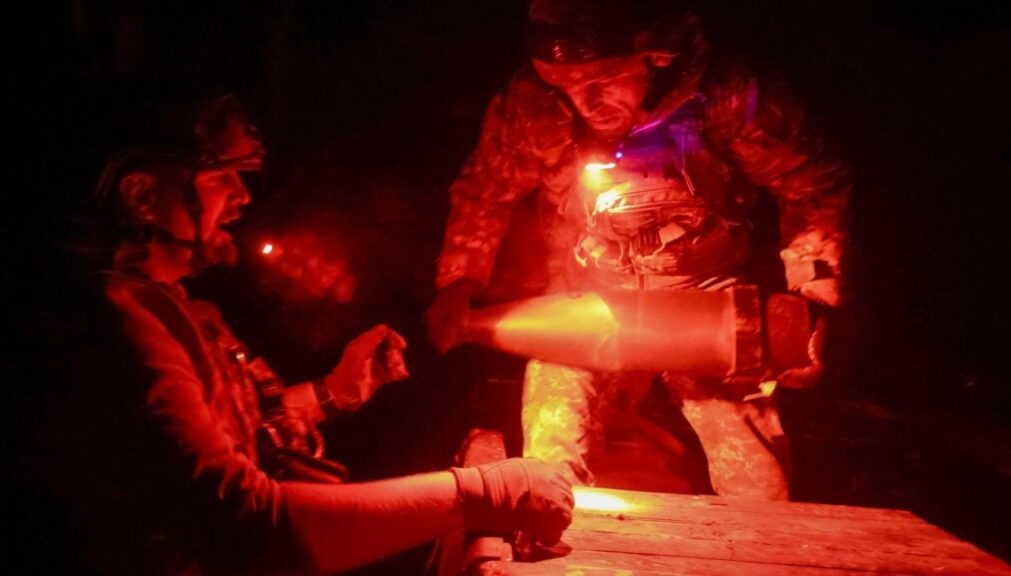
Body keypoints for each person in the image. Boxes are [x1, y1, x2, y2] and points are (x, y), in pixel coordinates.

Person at [75, 93, 573, 575]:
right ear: (142, 196)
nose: (243, 196)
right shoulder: (121, 321)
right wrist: (481, 494)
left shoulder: (168, 303)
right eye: (223, 178)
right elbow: (242, 517)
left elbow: (228, 436)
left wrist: (331, 392)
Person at [426, 0, 850, 500]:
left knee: (755, 477)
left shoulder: (729, 97)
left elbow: (813, 183)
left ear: (657, 58)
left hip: (710, 310)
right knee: (550, 449)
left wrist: (811, 299)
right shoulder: (533, 106)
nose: (585, 102)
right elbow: (485, 190)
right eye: (567, 86)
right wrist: (459, 281)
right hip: (583, 305)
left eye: (603, 80)